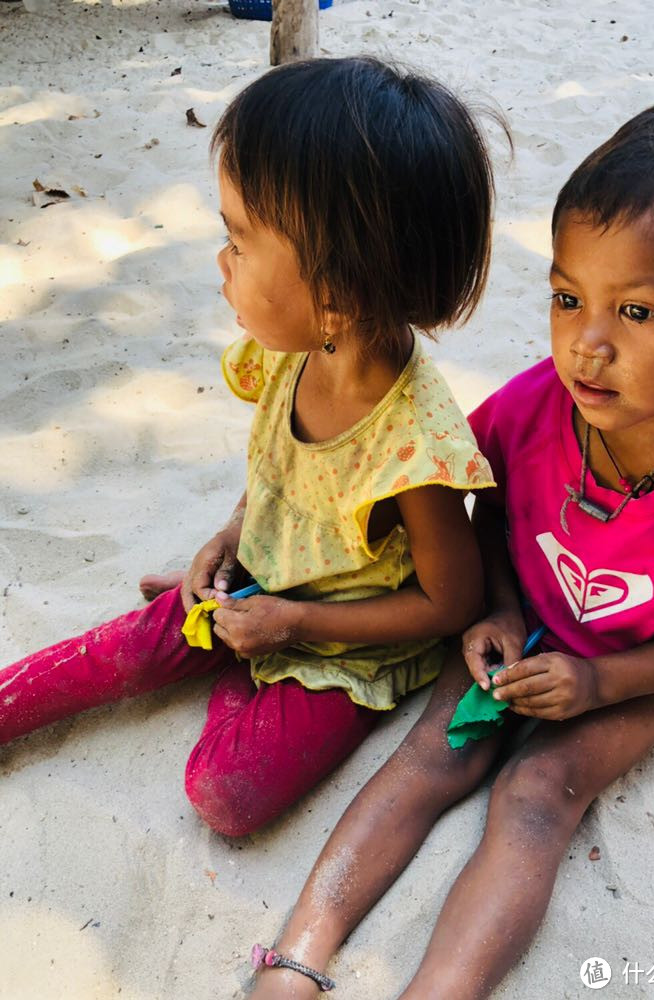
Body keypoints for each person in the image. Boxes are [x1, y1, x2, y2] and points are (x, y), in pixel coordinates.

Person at [250, 99, 654, 999]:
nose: (586, 345)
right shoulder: (533, 406)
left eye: (636, 311)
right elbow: (489, 505)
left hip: (643, 665)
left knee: (535, 798)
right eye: (567, 299)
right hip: (520, 629)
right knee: (436, 753)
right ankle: (295, 959)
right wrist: (501, 607)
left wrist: (599, 683)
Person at [0, 58, 499, 841]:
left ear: (337, 293)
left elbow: (451, 605)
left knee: (225, 795)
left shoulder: (418, 448)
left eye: (238, 240)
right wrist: (231, 534)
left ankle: (239, 663)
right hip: (259, 580)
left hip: (342, 649)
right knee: (114, 654)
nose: (221, 264)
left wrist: (288, 627)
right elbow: (276, 470)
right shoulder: (294, 348)